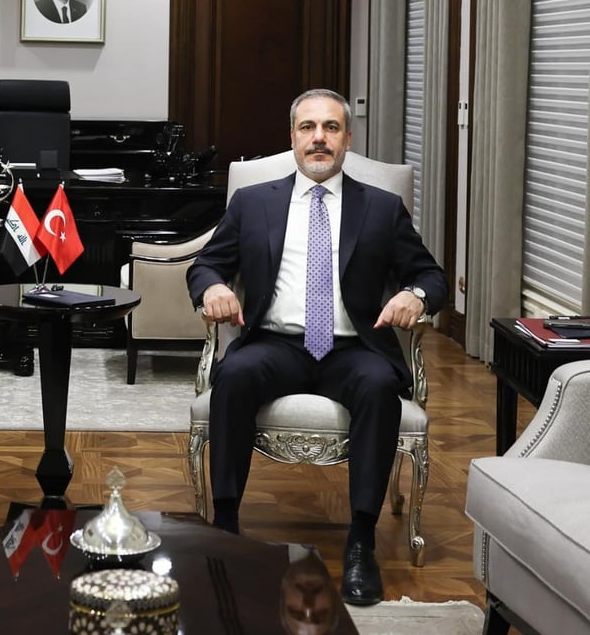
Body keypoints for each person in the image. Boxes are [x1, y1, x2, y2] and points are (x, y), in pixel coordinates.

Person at [186, 88, 447, 607]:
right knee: (233, 376)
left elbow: (430, 275)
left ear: (348, 138)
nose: (319, 138)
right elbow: (206, 264)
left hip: (353, 348)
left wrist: (414, 295)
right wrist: (212, 287)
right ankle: (228, 527)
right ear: (292, 138)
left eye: (331, 127)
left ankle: (361, 541)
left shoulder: (382, 208)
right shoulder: (253, 203)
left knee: (379, 386)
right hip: (276, 344)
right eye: (308, 127)